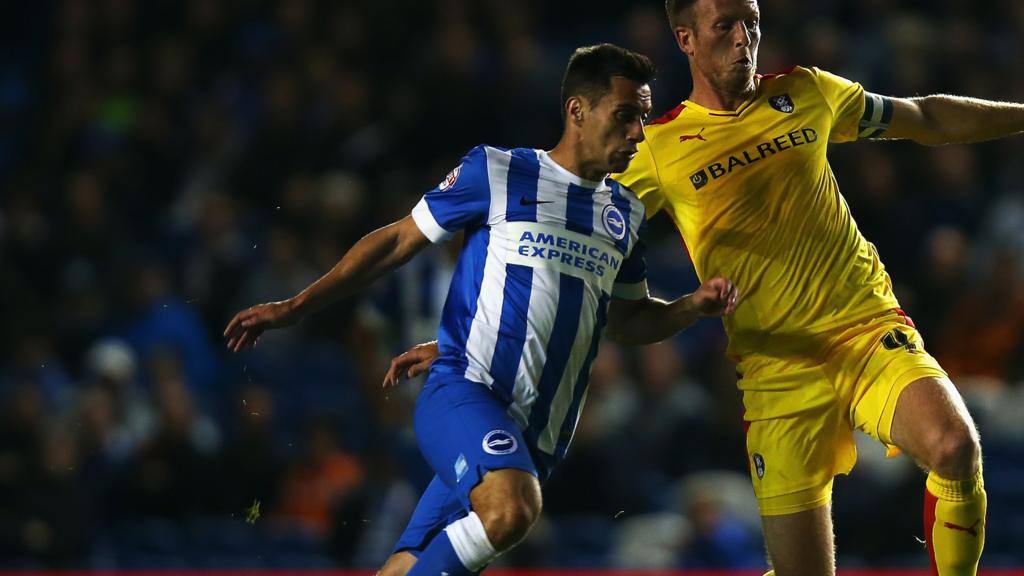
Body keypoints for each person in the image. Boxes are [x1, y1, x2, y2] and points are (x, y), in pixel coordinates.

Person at [389, 2, 1024, 574]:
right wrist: (465, 334)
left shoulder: (808, 92)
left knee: (954, 445)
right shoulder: (653, 149)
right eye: (725, 26)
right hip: (773, 371)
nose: (745, 38)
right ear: (686, 38)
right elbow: (551, 231)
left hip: (861, 326)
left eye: (751, 21)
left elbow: (925, 117)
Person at [224, 44, 739, 576]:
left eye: (644, 118)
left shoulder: (626, 215)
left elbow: (627, 322)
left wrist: (689, 308)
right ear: (578, 111)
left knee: (410, 562)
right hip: (466, 395)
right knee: (512, 509)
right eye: (626, 115)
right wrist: (296, 306)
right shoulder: (499, 171)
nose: (638, 132)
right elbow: (398, 240)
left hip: (539, 438)